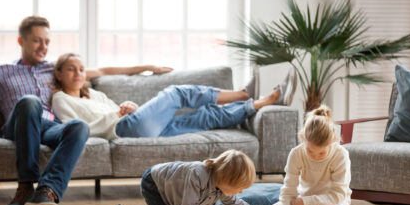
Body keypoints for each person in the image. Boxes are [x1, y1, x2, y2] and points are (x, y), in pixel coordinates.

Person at [0, 16, 172, 205]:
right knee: (30, 101)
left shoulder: (54, 68)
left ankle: (46, 192)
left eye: (47, 41)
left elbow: (103, 70)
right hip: (19, 125)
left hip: (49, 126)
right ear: (21, 41)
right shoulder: (0, 71)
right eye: (37, 40)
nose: (43, 46)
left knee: (79, 126)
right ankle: (25, 187)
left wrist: (147, 67)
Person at [50, 53, 295, 139]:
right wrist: (116, 115)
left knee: (204, 118)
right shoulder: (61, 99)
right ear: (59, 74)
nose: (78, 73)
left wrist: (128, 105)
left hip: (138, 125)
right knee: (176, 93)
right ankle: (243, 93)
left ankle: (262, 102)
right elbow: (73, 129)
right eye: (71, 69)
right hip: (124, 129)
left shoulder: (94, 94)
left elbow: (117, 107)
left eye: (81, 69)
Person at [110, 149, 263, 205]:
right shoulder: (198, 174)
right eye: (238, 187)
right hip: (155, 184)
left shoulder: (224, 189)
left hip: (175, 194)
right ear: (225, 179)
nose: (241, 191)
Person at [264, 105, 354, 205]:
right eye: (310, 151)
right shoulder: (296, 153)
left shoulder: (340, 155)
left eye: (321, 153)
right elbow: (289, 190)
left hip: (335, 201)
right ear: (302, 138)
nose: (315, 156)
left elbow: (338, 195)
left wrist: (306, 202)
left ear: (333, 141)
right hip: (305, 199)